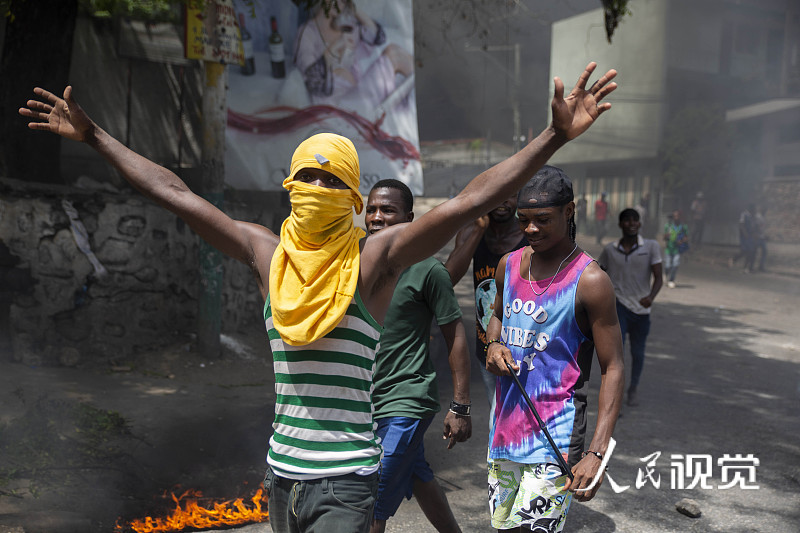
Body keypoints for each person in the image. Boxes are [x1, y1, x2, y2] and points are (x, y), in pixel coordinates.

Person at [20, 61, 617, 533]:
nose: (318, 188)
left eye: (334, 180)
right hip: (282, 478)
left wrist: (551, 139)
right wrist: (95, 136)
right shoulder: (265, 253)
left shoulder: (373, 259)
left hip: (346, 481)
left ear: (355, 199)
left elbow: (465, 201)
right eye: (308, 176)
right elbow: (176, 193)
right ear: (289, 184)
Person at [485, 165, 624, 532]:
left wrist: (596, 452)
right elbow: (496, 316)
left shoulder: (591, 280)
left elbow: (613, 367)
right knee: (501, 528)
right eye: (524, 220)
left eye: (542, 220)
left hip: (555, 438)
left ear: (569, 211)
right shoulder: (508, 265)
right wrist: (494, 343)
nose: (530, 229)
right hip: (504, 430)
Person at [365, 179, 471, 533]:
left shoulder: (428, 270)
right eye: (372, 210)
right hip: (366, 401)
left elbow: (455, 335)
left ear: (409, 218)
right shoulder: (356, 263)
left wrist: (459, 406)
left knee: (372, 500)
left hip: (407, 400)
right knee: (418, 473)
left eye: (388, 210)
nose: (377, 217)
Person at [444, 196, 527, 418]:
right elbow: (447, 278)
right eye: (499, 194)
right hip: (487, 347)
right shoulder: (472, 232)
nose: (503, 201)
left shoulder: (530, 236)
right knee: (498, 415)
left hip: (522, 349)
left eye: (510, 195)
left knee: (519, 417)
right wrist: (479, 230)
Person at [598, 209, 662, 407]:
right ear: (620, 224)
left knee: (638, 352)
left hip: (642, 309)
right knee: (618, 353)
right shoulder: (610, 250)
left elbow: (659, 277)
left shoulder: (651, 247)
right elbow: (599, 274)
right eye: (627, 220)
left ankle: (633, 388)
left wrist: (651, 297)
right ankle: (615, 392)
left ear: (639, 224)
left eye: (635, 220)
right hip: (619, 307)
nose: (631, 223)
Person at [663, 209, 689, 288]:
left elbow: (686, 237)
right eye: (675, 216)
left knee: (675, 264)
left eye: (678, 216)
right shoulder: (668, 226)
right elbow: (664, 237)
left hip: (677, 249)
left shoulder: (683, 227)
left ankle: (671, 280)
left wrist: (681, 241)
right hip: (669, 249)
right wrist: (667, 235)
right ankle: (665, 274)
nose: (676, 218)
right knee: (667, 265)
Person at [729, 204, 756, 273]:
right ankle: (733, 259)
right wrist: (745, 233)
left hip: (750, 236)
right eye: (753, 209)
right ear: (750, 209)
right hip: (744, 236)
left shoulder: (752, 216)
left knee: (750, 251)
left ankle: (745, 267)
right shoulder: (744, 214)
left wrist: (753, 234)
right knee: (744, 251)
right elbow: (741, 225)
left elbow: (752, 226)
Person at [754, 205, 768, 272]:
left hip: (762, 237)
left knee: (764, 251)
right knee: (754, 251)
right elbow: (756, 226)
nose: (766, 211)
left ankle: (761, 266)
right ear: (761, 209)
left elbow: (762, 227)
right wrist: (756, 234)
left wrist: (765, 235)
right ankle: (751, 266)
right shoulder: (758, 216)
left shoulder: (763, 217)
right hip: (757, 237)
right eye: (764, 209)